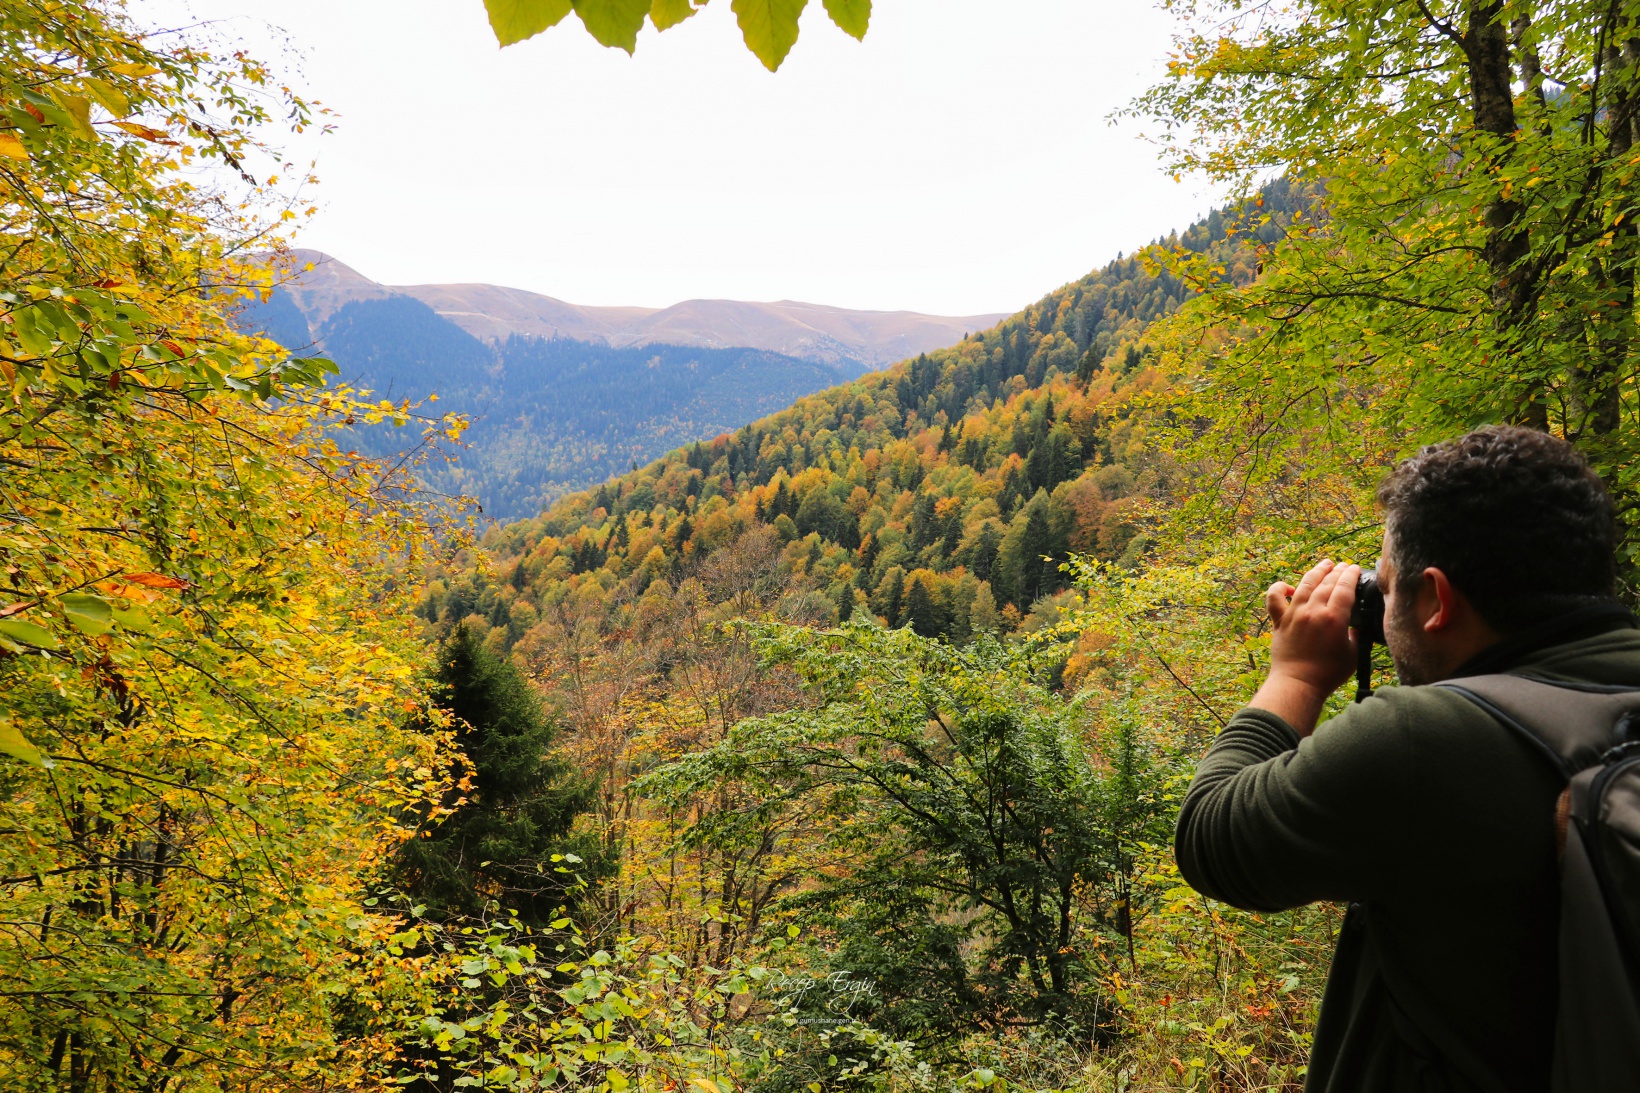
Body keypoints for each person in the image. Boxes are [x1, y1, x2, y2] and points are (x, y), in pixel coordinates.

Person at [1174, 425, 1639, 1092]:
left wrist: (1298, 675)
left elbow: (1212, 837)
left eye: (1388, 588)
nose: (1379, 606)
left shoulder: (1425, 742)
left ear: (1438, 602)